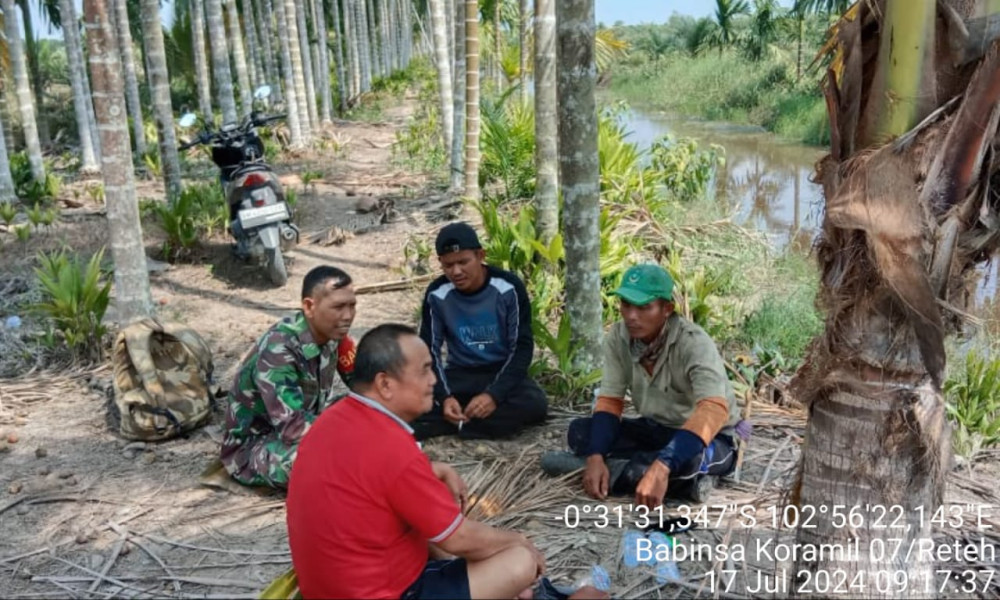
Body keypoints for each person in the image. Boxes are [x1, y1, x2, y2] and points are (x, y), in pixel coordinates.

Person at [286, 324, 563, 599]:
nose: (433, 380)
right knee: (519, 562)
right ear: (385, 384)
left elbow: (370, 480)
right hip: (386, 592)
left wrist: (432, 470)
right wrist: (520, 541)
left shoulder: (334, 419)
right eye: (425, 369)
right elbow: (459, 538)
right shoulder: (391, 447)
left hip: (328, 589)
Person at [541, 264, 747, 506]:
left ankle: (643, 471)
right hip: (656, 428)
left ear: (667, 309)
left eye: (643, 307)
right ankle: (648, 474)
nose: (631, 316)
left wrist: (663, 465)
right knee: (580, 433)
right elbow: (610, 401)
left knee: (689, 461)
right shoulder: (619, 337)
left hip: (708, 436)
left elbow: (713, 410)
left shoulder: (693, 343)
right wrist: (596, 457)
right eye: (626, 305)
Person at [220, 265, 357, 488]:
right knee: (324, 463)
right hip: (258, 445)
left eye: (352, 306)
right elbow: (292, 428)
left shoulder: (334, 334)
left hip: (308, 426)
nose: (348, 316)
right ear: (309, 307)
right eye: (338, 307)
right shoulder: (279, 349)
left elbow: (363, 384)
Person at [411, 222, 548, 441]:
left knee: (535, 404)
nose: (456, 271)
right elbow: (429, 351)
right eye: (448, 265)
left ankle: (451, 426)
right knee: (413, 401)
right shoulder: (437, 294)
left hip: (500, 371)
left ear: (480, 255)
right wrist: (445, 397)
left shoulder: (508, 287)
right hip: (460, 374)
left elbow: (521, 348)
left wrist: (494, 395)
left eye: (463, 262)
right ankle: (469, 422)